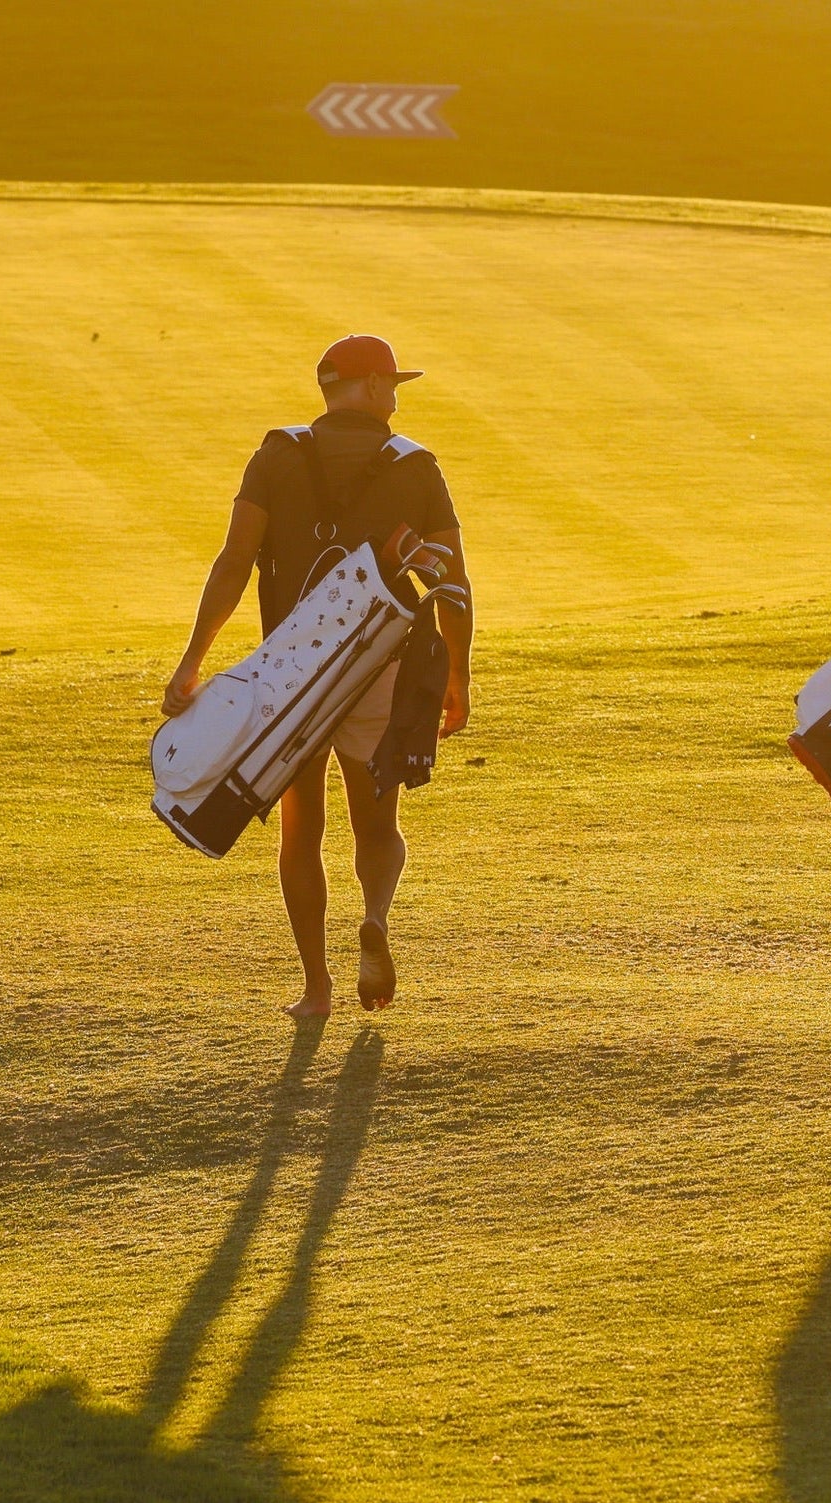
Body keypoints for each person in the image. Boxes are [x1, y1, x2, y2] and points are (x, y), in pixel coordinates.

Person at [161, 335, 473, 1016]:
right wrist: (459, 674)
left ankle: (315, 989)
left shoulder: (277, 454)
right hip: (378, 670)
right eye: (389, 383)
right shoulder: (415, 465)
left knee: (300, 832)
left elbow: (232, 564)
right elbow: (452, 583)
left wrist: (191, 663)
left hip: (289, 680)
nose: (394, 396)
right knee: (377, 824)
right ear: (364, 388)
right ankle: (377, 919)